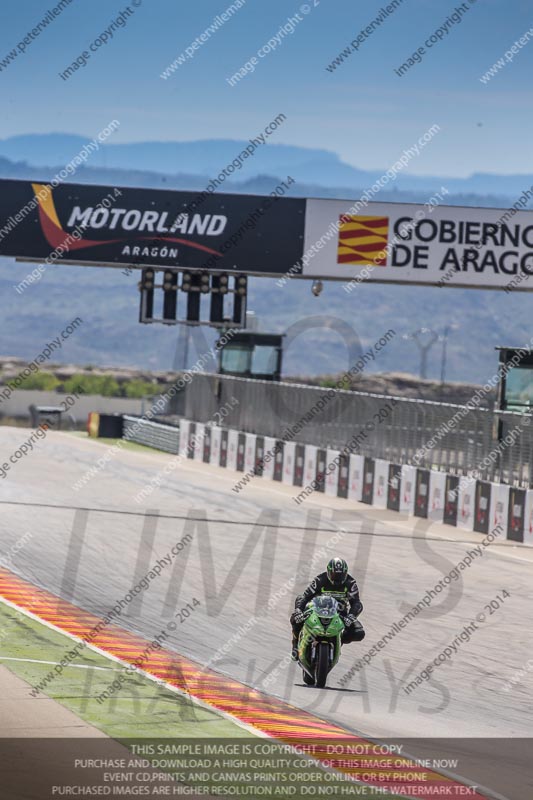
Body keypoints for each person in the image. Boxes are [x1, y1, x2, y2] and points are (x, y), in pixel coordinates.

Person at [290, 557, 365, 660]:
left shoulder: (351, 583)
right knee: (296, 618)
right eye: (334, 575)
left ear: (346, 573)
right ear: (329, 572)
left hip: (339, 614)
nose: (337, 578)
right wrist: (298, 610)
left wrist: (351, 616)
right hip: (318, 610)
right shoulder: (320, 580)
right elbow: (305, 597)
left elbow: (357, 603)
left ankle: (339, 640)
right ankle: (295, 644)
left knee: (359, 632)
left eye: (341, 575)